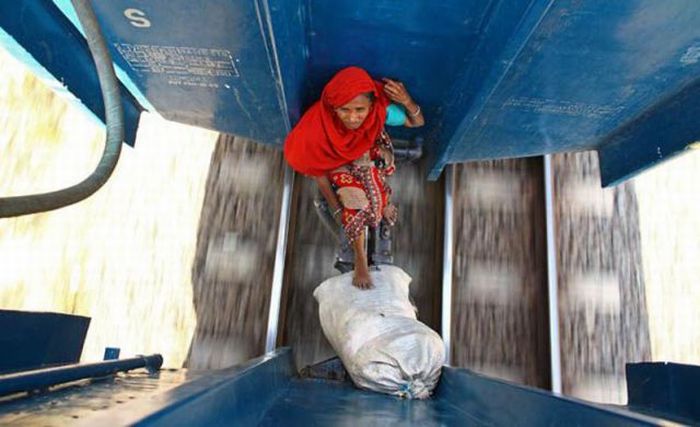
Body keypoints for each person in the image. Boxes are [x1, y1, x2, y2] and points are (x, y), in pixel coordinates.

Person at [284, 66, 424, 289]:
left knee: (376, 171)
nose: (353, 117)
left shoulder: (379, 110)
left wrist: (406, 101)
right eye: (344, 110)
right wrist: (336, 208)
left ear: (371, 105)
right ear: (333, 108)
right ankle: (360, 259)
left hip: (366, 154)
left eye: (360, 109)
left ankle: (382, 205)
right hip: (337, 165)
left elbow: (416, 123)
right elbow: (319, 174)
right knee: (355, 204)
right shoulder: (316, 128)